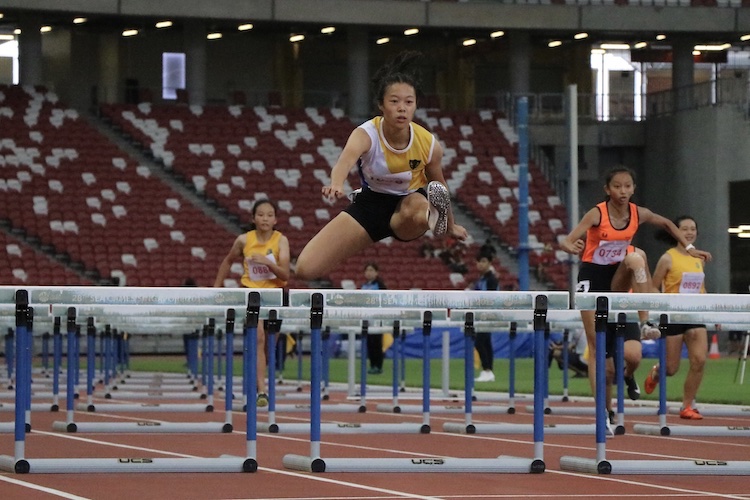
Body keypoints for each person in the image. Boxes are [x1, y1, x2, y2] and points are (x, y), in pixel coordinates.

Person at [560, 166, 712, 433]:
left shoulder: (637, 213)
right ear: (608, 190)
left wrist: (689, 248)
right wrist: (571, 245)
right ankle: (602, 413)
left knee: (635, 256)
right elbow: (568, 239)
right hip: (592, 277)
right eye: (617, 187)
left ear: (633, 188)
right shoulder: (597, 213)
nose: (623, 191)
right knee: (597, 348)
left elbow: (666, 223)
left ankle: (645, 321)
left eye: (627, 186)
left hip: (616, 276)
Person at [294, 50, 468, 281]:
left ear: (415, 106)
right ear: (381, 105)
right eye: (394, 102)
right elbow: (344, 161)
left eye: (409, 102)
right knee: (305, 269)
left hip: (408, 204)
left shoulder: (428, 144)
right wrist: (336, 183)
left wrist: (451, 225)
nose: (402, 108)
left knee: (415, 207)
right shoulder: (366, 134)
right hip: (370, 206)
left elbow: (439, 185)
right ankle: (431, 217)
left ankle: (432, 217)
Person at [213, 199, 290, 408]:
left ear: (275, 219)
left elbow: (285, 275)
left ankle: (258, 383)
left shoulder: (281, 241)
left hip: (274, 296)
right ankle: (262, 390)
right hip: (251, 295)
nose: (265, 218)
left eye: (269, 215)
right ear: (253, 218)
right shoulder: (243, 240)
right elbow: (228, 260)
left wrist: (267, 262)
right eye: (261, 214)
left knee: (268, 348)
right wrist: (216, 288)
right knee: (258, 338)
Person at [644, 215, 709, 420]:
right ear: (675, 232)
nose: (689, 232)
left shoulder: (699, 258)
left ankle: (687, 406)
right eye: (684, 229)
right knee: (671, 368)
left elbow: (701, 287)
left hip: (694, 313)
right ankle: (656, 372)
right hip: (672, 315)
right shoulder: (668, 257)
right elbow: (653, 286)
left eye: (693, 229)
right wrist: (664, 303)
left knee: (699, 360)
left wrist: (711, 310)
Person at [470, 251, 499, 382]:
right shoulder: (481, 280)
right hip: (481, 314)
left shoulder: (491, 279)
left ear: (489, 263)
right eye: (479, 261)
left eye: (483, 261)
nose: (480, 264)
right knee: (486, 343)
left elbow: (492, 298)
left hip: (488, 314)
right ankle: (489, 371)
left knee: (479, 342)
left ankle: (487, 369)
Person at [360, 262, 389, 374]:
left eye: (371, 270)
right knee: (369, 343)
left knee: (377, 342)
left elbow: (385, 300)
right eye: (367, 270)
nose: (369, 273)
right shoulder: (364, 286)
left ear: (376, 272)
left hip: (377, 316)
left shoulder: (380, 285)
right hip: (366, 317)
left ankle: (378, 366)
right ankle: (372, 365)